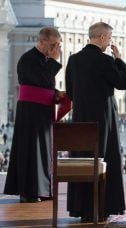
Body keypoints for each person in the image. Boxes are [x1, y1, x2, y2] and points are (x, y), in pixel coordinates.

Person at [65, 22, 126, 222]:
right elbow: (122, 82)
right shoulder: (105, 60)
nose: (110, 42)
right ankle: (103, 207)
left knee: (82, 160)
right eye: (109, 38)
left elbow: (69, 92)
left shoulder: (73, 60)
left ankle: (81, 208)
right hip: (103, 121)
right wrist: (119, 60)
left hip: (80, 121)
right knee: (103, 159)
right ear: (101, 37)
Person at [3, 27, 63, 203]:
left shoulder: (45, 59)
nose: (55, 49)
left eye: (58, 45)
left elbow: (45, 85)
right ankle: (28, 191)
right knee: (31, 150)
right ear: (42, 41)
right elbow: (38, 81)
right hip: (29, 113)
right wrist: (53, 61)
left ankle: (43, 190)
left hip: (43, 111)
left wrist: (56, 93)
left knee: (44, 151)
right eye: (53, 45)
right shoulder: (27, 59)